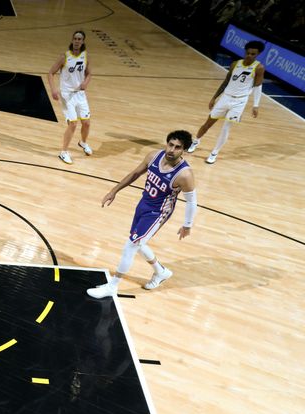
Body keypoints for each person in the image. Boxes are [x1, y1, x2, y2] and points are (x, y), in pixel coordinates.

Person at [87, 130, 197, 298]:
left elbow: (192, 201)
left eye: (177, 147)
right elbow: (135, 174)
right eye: (170, 145)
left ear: (184, 150)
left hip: (158, 212)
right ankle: (161, 272)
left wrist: (187, 225)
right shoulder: (153, 156)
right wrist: (114, 190)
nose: (172, 150)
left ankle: (113, 286)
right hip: (143, 204)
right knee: (138, 243)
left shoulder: (185, 174)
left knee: (130, 246)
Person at [187, 41, 266, 164]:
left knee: (225, 128)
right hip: (225, 98)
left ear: (258, 54)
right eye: (248, 53)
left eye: (253, 54)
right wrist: (214, 98)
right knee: (208, 123)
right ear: (245, 51)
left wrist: (256, 105)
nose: (249, 55)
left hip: (240, 101)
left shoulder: (259, 68)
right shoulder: (235, 64)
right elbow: (226, 82)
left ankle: (214, 153)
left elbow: (258, 87)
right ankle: (196, 141)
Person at [48, 30, 93, 165]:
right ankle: (64, 152)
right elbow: (50, 73)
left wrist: (86, 82)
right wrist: (53, 89)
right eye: (75, 38)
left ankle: (83, 142)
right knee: (73, 123)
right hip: (67, 94)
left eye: (79, 39)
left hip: (80, 94)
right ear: (72, 40)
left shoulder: (86, 56)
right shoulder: (64, 57)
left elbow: (89, 73)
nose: (77, 41)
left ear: (83, 41)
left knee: (86, 123)